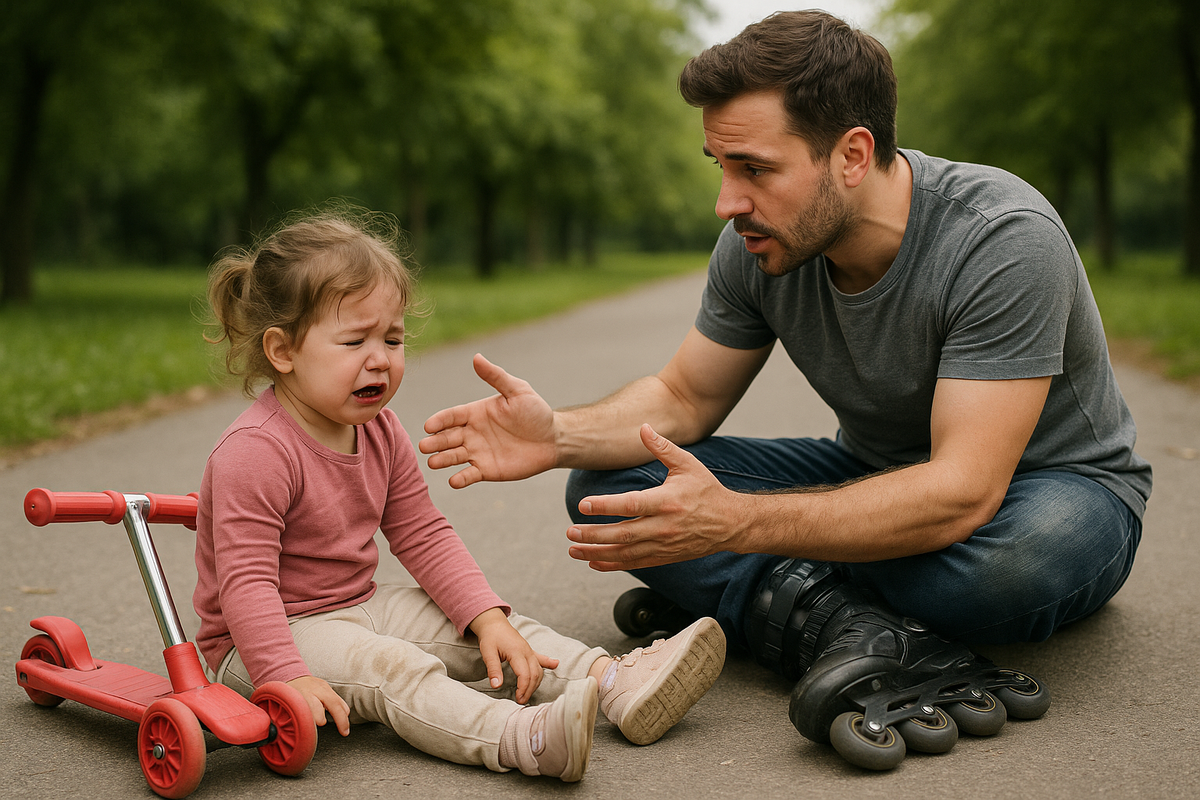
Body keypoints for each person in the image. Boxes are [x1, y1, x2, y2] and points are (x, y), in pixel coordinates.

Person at [418, 10, 1151, 758]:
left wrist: (733, 528)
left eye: (755, 169)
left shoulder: (1002, 239)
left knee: (994, 570)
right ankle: (850, 624)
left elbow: (963, 492)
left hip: (1052, 493)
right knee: (614, 493)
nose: (728, 202)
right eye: (721, 168)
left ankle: (774, 602)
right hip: (872, 472)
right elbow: (686, 399)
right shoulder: (758, 240)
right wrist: (559, 434)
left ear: (853, 155)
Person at [192, 207, 726, 783]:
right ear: (283, 351)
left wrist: (483, 616)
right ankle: (522, 737)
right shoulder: (256, 451)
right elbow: (246, 582)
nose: (381, 358)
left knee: (486, 632)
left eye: (392, 338)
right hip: (263, 644)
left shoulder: (380, 430)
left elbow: (422, 532)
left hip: (358, 604)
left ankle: (612, 680)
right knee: (395, 668)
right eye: (353, 341)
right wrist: (284, 674)